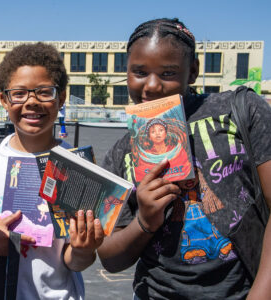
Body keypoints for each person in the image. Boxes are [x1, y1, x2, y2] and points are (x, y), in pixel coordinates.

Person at [98, 18, 271, 299]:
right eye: (139, 72)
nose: (152, 86)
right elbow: (109, 258)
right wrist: (145, 220)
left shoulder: (241, 109)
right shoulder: (123, 151)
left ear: (192, 72)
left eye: (167, 73)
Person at [0, 42, 104, 299]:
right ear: (4, 100)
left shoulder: (76, 166)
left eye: (44, 92)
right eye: (19, 93)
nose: (32, 102)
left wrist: (83, 250)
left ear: (61, 98)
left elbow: (72, 261)